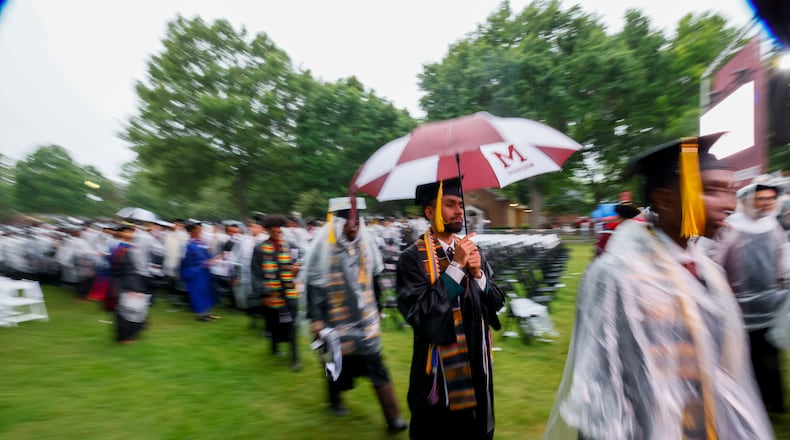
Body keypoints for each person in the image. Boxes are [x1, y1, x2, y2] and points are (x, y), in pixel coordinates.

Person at [543, 134, 774, 439]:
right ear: (664, 198)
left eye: (729, 189)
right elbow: (601, 382)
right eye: (711, 190)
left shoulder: (710, 273)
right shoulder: (616, 276)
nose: (729, 204)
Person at [396, 177, 505, 440]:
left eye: (460, 204)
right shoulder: (411, 258)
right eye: (450, 204)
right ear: (430, 211)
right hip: (437, 377)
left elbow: (497, 304)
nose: (459, 211)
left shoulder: (470, 251)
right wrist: (456, 268)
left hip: (478, 368)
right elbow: (424, 317)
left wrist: (478, 273)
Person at [302, 197, 408, 434]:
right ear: (337, 224)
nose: (354, 228)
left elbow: (374, 279)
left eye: (357, 222)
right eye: (349, 223)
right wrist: (316, 318)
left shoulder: (365, 245)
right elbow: (314, 285)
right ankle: (335, 400)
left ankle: (393, 419)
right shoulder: (324, 248)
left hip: (363, 320)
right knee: (335, 364)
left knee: (376, 365)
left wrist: (377, 309)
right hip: (334, 321)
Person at [713, 176, 788, 414]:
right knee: (748, 359)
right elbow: (717, 264)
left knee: (770, 356)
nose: (766, 203)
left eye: (770, 199)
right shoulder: (731, 228)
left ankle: (775, 404)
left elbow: (780, 264)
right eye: (761, 199)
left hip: (769, 306)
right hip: (739, 309)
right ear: (746, 201)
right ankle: (756, 404)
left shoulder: (773, 227)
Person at [251, 214, 300, 370]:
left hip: (289, 292)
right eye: (273, 230)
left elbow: (296, 262)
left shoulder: (290, 245)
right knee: (273, 323)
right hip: (271, 294)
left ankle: (295, 359)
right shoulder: (259, 249)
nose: (277, 232)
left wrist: (296, 269)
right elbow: (256, 273)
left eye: (279, 229)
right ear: (267, 230)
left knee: (291, 324)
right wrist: (264, 293)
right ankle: (274, 347)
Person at [108, 223, 150, 343]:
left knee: (130, 309)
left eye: (132, 231)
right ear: (121, 234)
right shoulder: (121, 249)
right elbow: (125, 269)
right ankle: (123, 337)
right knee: (124, 311)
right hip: (123, 283)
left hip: (129, 281)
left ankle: (130, 333)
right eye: (128, 231)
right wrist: (132, 288)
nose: (131, 234)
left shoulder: (129, 247)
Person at [180, 220, 218, 322]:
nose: (201, 229)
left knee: (206, 292)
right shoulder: (188, 245)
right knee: (198, 293)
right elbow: (186, 261)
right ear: (192, 231)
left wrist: (213, 259)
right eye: (198, 228)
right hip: (195, 273)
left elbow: (208, 255)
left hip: (204, 272)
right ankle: (201, 315)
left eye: (200, 227)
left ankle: (207, 313)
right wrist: (203, 263)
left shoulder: (203, 242)